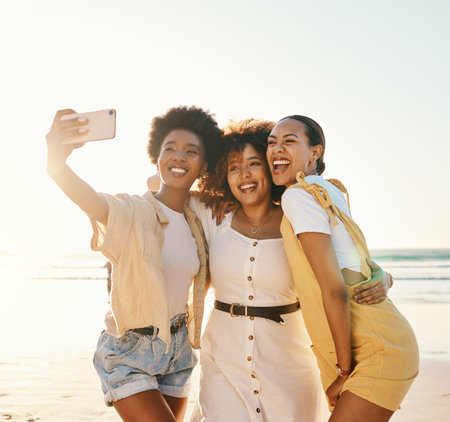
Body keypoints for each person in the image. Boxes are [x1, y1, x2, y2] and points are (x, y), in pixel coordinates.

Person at [170, 119, 391, 422]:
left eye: (253, 164)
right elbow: (158, 185)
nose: (244, 175)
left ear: (270, 168)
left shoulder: (298, 217)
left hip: (289, 363)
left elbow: (349, 259)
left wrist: (384, 278)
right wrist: (217, 196)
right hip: (223, 358)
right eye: (234, 167)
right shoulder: (213, 215)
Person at [46, 106, 222, 422]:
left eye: (190, 151)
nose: (179, 157)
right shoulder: (133, 211)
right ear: (157, 157)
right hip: (130, 351)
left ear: (203, 164)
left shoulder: (199, 220)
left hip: (179, 350)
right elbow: (94, 202)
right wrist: (56, 165)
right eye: (170, 148)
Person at [267, 115, 419, 421]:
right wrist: (385, 278)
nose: (276, 149)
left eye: (289, 141)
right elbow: (356, 266)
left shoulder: (299, 196)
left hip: (375, 350)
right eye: (271, 143)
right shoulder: (328, 191)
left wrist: (344, 370)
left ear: (315, 152)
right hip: (387, 338)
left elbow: (335, 290)